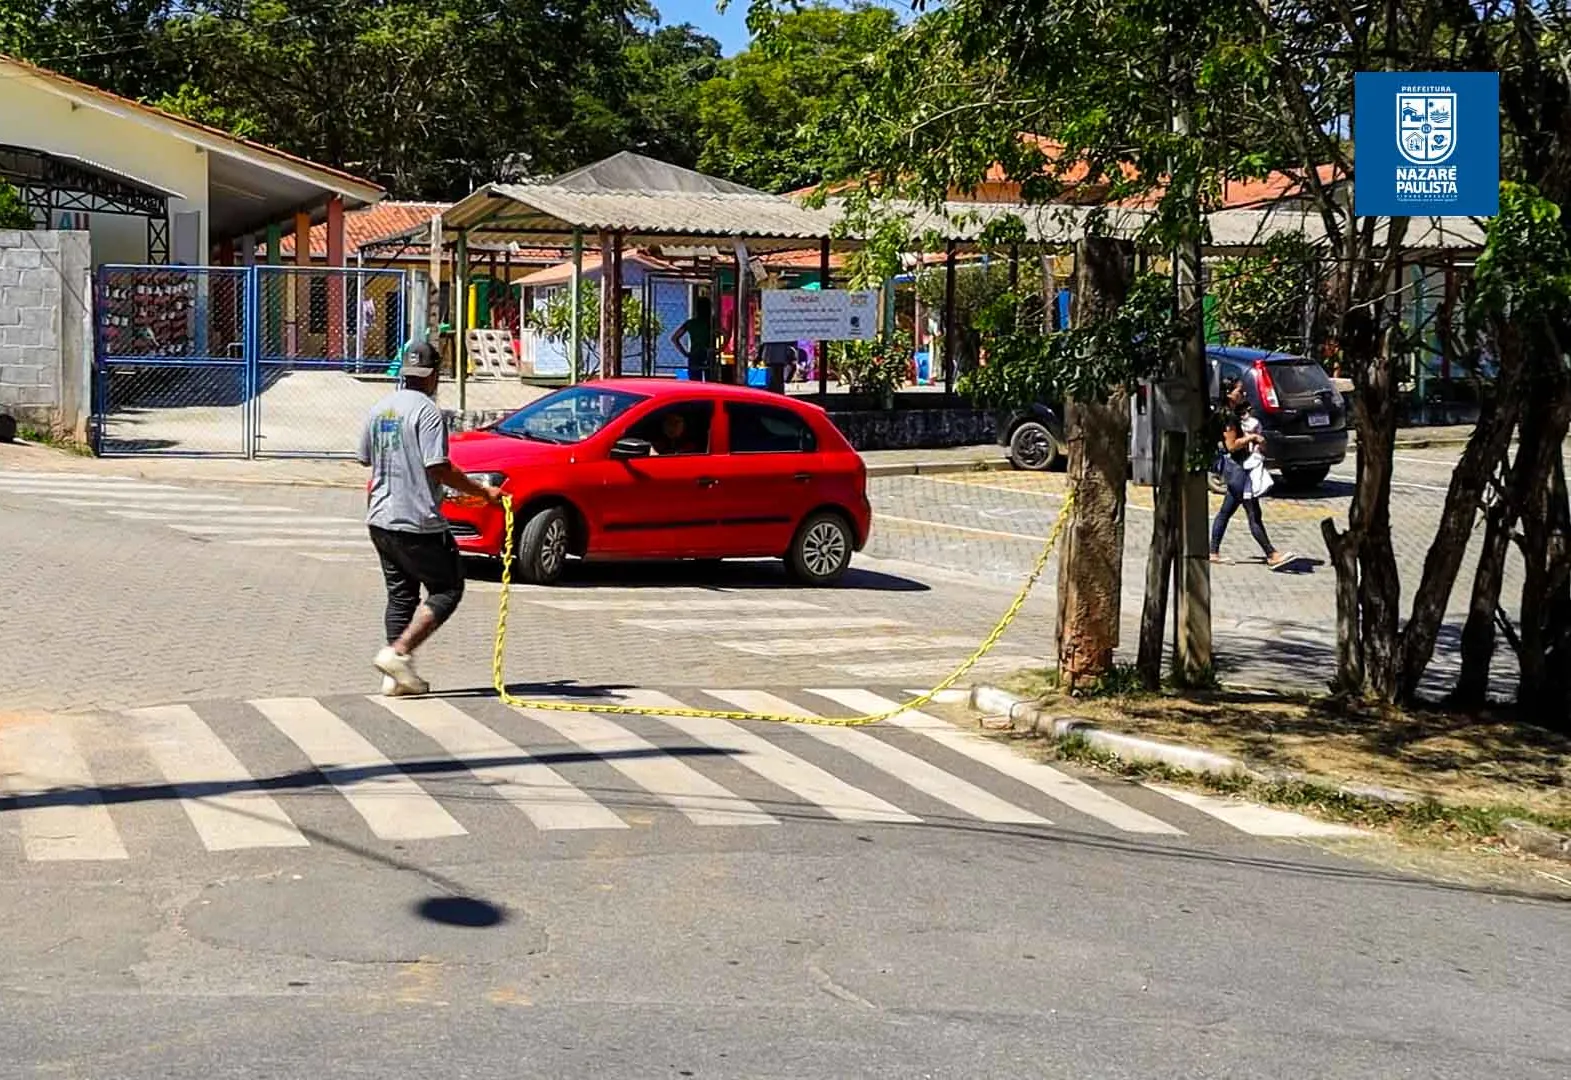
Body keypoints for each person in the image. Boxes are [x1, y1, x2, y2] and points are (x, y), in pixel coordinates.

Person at [358, 342, 503, 695]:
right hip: (418, 522)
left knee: (401, 595)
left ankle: (396, 679)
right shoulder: (427, 413)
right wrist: (482, 492)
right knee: (448, 587)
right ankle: (398, 653)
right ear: (434, 375)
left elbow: (365, 458)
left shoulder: (379, 409)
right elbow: (437, 466)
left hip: (380, 519)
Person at [1210, 378, 1294, 570]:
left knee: (1227, 512)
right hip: (1238, 468)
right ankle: (1272, 554)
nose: (1244, 394)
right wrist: (1252, 437)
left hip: (1234, 470)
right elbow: (1232, 446)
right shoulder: (1229, 417)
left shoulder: (1223, 413)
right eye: (1240, 391)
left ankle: (1213, 551)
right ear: (1230, 393)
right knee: (1253, 513)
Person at [670, 296, 714, 381]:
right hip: (708, 354)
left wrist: (685, 353)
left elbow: (675, 338)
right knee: (710, 383)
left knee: (695, 382)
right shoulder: (711, 323)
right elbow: (725, 333)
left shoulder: (690, 323)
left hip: (694, 355)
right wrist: (720, 349)